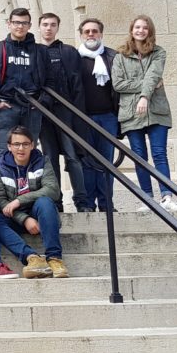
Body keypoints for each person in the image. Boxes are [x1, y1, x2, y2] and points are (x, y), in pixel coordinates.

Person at [112, 15, 177, 213]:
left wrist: (145, 95)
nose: (140, 31)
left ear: (150, 31)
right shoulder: (120, 56)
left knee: (159, 153)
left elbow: (153, 75)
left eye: (145, 27)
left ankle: (166, 196)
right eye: (137, 27)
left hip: (156, 110)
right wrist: (146, 87)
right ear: (131, 29)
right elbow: (118, 84)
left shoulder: (158, 52)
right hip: (131, 113)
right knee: (139, 156)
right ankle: (147, 199)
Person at [0, 126, 67, 278]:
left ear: (32, 145)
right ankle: (32, 258)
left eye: (25, 144)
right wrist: (24, 219)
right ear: (9, 146)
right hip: (15, 218)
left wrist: (19, 201)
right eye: (16, 144)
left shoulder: (42, 161)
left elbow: (53, 190)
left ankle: (55, 258)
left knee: (45, 202)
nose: (21, 148)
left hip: (42, 215)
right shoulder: (0, 166)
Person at [0, 8, 54, 157]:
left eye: (24, 23)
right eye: (16, 22)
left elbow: (50, 81)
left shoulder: (41, 51)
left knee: (29, 153)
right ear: (9, 24)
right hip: (5, 106)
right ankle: (4, 182)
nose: (20, 26)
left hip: (32, 107)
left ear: (29, 26)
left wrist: (42, 102)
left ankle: (27, 181)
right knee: (4, 154)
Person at [38, 13, 89, 212]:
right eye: (45, 25)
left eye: (52, 25)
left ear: (58, 27)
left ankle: (82, 201)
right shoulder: (35, 51)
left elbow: (77, 85)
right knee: (49, 158)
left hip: (66, 111)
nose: (48, 28)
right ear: (40, 27)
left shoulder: (68, 52)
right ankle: (56, 201)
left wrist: (77, 114)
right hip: (44, 112)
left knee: (72, 156)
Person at [75, 18, 120, 212]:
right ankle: (88, 205)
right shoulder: (74, 58)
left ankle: (106, 204)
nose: (91, 34)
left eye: (94, 31)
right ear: (81, 34)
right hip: (83, 118)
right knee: (86, 163)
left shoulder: (113, 57)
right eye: (87, 31)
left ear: (101, 34)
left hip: (108, 118)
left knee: (106, 163)